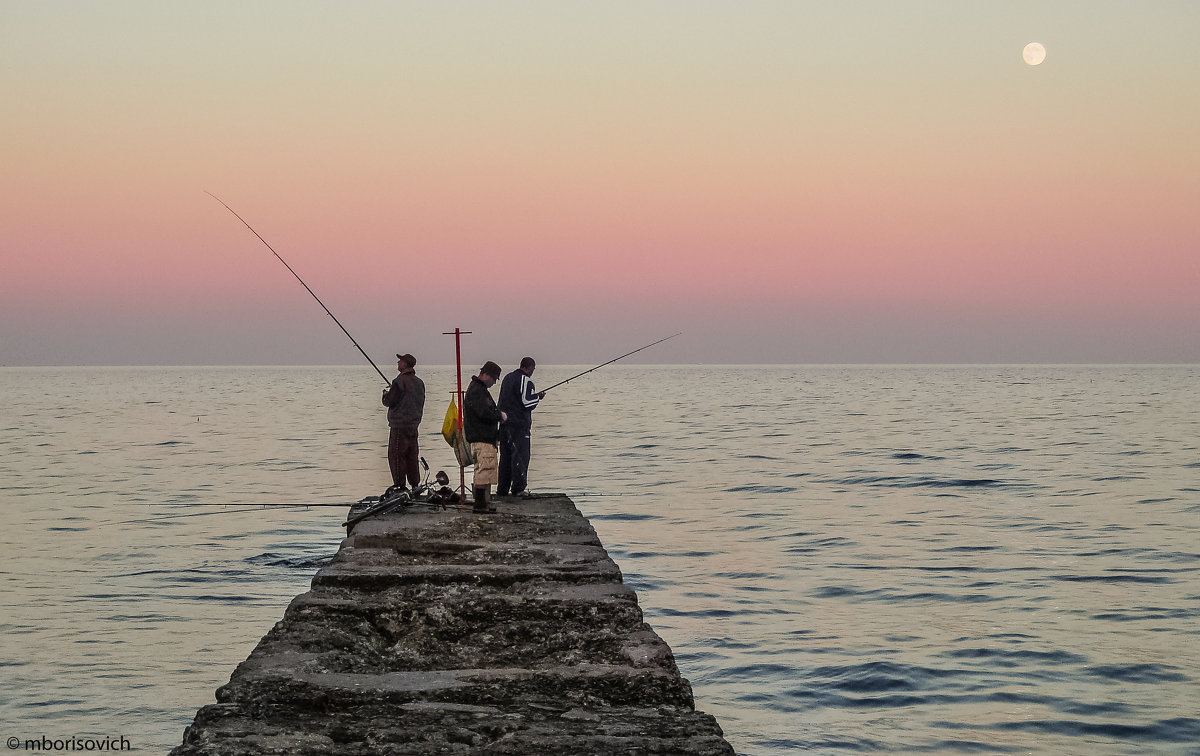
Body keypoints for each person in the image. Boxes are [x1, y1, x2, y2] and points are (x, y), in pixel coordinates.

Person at [497, 357, 544, 499]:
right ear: (529, 367)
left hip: (504, 424)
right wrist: (538, 397)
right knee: (521, 456)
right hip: (518, 426)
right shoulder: (526, 380)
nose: (533, 372)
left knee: (505, 457)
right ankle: (518, 489)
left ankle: (502, 489)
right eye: (533, 369)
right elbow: (527, 402)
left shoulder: (507, 378)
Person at [463, 361, 506, 513]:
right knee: (484, 471)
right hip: (482, 438)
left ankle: (485, 502)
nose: (494, 383)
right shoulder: (477, 391)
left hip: (481, 438)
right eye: (494, 379)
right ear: (486, 375)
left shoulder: (477, 389)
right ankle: (480, 505)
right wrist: (499, 415)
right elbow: (484, 413)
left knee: (485, 472)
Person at [382, 353, 425, 493]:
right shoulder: (419, 383)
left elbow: (389, 401)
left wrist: (385, 394)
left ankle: (400, 487)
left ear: (405, 364)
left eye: (400, 361)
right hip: (414, 426)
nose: (398, 362)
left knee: (396, 456)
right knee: (412, 456)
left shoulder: (398, 381)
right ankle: (415, 486)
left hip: (399, 426)